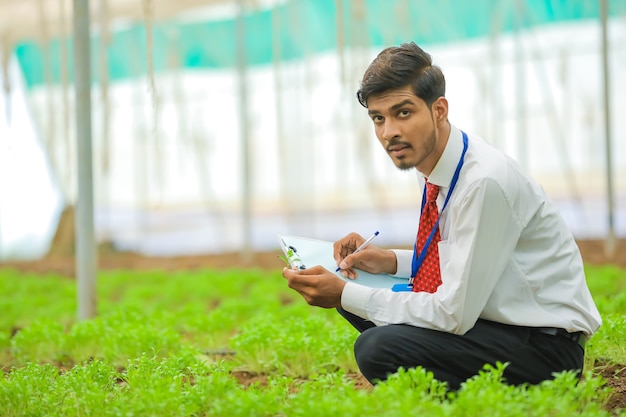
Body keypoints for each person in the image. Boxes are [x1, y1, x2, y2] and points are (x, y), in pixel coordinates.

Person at [282, 42, 601, 389]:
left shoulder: (483, 182)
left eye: (403, 113)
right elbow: (461, 256)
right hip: (494, 325)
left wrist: (343, 294)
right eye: (378, 118)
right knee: (354, 283)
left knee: (375, 343)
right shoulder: (439, 164)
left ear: (439, 110)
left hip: (543, 348)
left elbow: (453, 313)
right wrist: (387, 261)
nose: (389, 132)